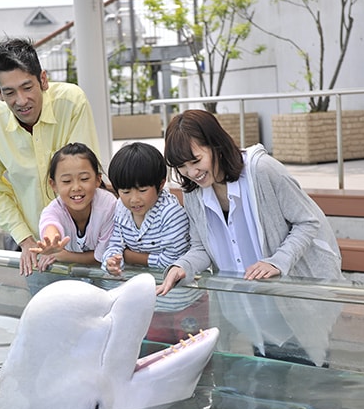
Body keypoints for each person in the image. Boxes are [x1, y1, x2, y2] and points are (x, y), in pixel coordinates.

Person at [156, 109, 344, 296]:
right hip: (244, 303)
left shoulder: (263, 170)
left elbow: (307, 221)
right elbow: (201, 247)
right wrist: (183, 266)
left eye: (196, 161)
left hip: (300, 297)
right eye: (181, 166)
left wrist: (278, 261)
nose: (191, 173)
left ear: (216, 146)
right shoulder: (193, 192)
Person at [0, 37, 100, 277]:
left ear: (43, 80)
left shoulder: (72, 102)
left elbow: (84, 175)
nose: (21, 101)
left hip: (82, 240)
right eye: (9, 92)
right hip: (28, 242)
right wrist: (25, 240)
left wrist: (63, 245)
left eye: (27, 87)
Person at [101, 142, 190, 276]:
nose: (134, 199)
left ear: (160, 184)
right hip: (138, 285)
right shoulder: (120, 207)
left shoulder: (171, 213)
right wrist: (111, 261)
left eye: (142, 190)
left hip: (173, 291)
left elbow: (174, 260)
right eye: (126, 192)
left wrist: (130, 257)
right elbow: (114, 244)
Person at [30, 142, 116, 272]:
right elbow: (50, 226)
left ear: (98, 179)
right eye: (66, 181)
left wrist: (65, 256)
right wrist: (53, 244)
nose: (76, 187)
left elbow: (104, 256)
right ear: (53, 185)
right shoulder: (52, 210)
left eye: (84, 178)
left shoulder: (108, 205)